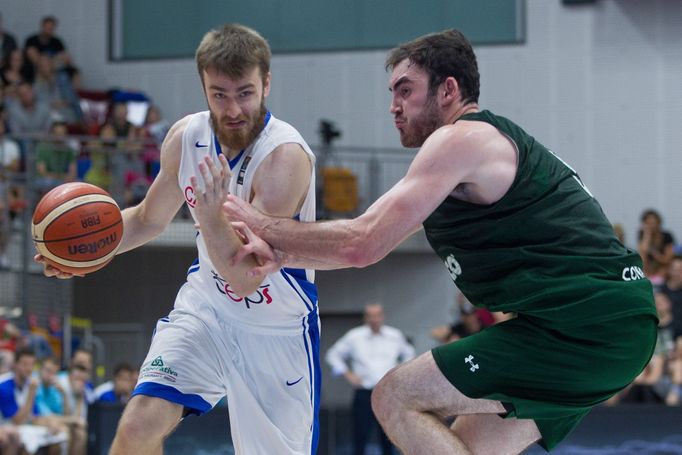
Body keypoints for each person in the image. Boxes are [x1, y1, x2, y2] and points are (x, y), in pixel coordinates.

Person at [223, 29, 658, 453]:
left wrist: (261, 223)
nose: (393, 107)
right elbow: (370, 246)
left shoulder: (461, 138)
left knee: (394, 395)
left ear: (448, 90)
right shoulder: (467, 159)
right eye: (391, 93)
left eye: (405, 91)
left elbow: (361, 242)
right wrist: (281, 256)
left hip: (586, 326)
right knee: (462, 446)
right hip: (605, 326)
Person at [36, 23, 319, 454]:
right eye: (219, 94)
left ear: (266, 83)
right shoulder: (187, 138)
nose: (233, 108)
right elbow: (149, 218)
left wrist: (208, 213)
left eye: (245, 92)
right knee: (137, 428)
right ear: (203, 86)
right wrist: (89, 252)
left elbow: (246, 277)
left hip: (273, 325)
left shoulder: (285, 158)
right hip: (206, 308)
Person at [326, 303, 414, 455]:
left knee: (388, 436)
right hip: (364, 393)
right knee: (360, 435)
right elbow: (333, 355)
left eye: (377, 315)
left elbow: (410, 354)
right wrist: (348, 374)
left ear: (382, 317)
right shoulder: (355, 336)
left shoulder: (394, 335)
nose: (374, 319)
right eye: (370, 315)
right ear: (366, 318)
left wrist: (399, 372)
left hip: (387, 394)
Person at [637, 208, 675, 284]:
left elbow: (668, 259)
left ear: (658, 223)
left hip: (663, 268)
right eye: (647, 223)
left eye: (653, 223)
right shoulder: (643, 236)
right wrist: (647, 236)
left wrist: (656, 254)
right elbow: (642, 259)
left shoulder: (667, 236)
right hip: (648, 269)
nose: (651, 226)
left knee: (666, 268)